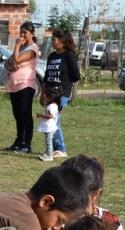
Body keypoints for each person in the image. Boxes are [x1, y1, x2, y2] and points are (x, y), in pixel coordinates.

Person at [43, 29, 80, 158]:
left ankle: (60, 148)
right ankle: (52, 148)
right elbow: (47, 75)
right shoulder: (52, 56)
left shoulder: (69, 56)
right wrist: (43, 92)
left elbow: (76, 76)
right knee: (50, 119)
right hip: (49, 93)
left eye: (54, 39)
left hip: (62, 93)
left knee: (54, 119)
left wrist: (64, 85)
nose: (52, 42)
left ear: (62, 41)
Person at [6, 21, 40, 154]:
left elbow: (18, 60)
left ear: (32, 34)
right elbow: (8, 62)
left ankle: (27, 143)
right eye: (21, 32)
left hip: (26, 85)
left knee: (25, 114)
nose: (22, 35)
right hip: (14, 85)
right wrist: (10, 65)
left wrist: (17, 45)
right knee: (17, 114)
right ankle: (19, 140)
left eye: (25, 32)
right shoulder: (20, 47)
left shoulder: (33, 48)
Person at [35, 86, 63, 162]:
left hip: (50, 127)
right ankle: (47, 153)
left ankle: (50, 156)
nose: (44, 99)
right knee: (48, 141)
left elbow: (50, 116)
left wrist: (41, 115)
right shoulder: (53, 105)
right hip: (49, 127)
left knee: (48, 141)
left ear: (51, 98)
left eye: (46, 97)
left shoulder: (51, 106)